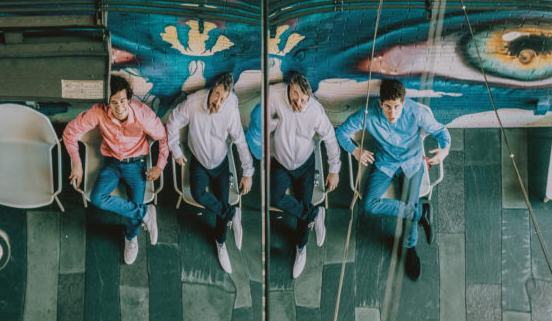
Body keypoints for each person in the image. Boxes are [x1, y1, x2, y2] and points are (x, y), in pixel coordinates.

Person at [336, 79, 450, 280]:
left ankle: (410, 247)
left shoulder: (416, 112)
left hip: (412, 163)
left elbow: (441, 130)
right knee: (369, 204)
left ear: (403, 103)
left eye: (397, 106)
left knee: (409, 205)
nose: (393, 113)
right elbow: (341, 132)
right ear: (380, 103)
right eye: (387, 107)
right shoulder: (369, 114)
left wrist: (445, 149)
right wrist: (355, 150)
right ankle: (420, 212)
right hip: (385, 163)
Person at [63, 75, 167, 265]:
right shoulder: (98, 112)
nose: (119, 107)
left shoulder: (142, 114)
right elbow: (69, 133)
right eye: (113, 102)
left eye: (122, 101)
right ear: (107, 102)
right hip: (111, 162)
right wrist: (77, 163)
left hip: (136, 164)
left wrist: (160, 165)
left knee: (135, 201)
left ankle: (130, 237)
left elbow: (163, 137)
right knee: (96, 198)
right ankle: (145, 213)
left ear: (129, 99)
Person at [246, 72, 340, 279]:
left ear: (309, 97)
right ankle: (315, 214)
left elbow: (330, 138)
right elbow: (257, 122)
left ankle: (301, 247)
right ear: (289, 88)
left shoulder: (315, 112)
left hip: (305, 164)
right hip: (280, 163)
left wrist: (334, 169)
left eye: (304, 98)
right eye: (295, 95)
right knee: (274, 197)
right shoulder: (274, 96)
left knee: (302, 203)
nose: (299, 101)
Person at [167, 72, 254, 273]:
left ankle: (221, 242)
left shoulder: (231, 107)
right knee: (198, 193)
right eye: (217, 95)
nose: (219, 101)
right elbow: (172, 123)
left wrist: (248, 172)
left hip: (221, 163)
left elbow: (240, 142)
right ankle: (232, 213)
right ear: (213, 88)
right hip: (199, 162)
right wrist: (177, 151)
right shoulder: (193, 103)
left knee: (222, 201)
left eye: (224, 97)